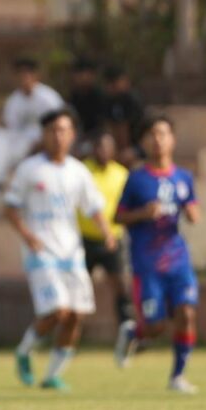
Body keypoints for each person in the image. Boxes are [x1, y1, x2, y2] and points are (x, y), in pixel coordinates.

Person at [6, 108, 116, 391]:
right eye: (53, 130)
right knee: (58, 311)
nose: (58, 136)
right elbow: (10, 206)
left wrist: (107, 233)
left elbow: (93, 207)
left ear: (72, 135)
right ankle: (24, 352)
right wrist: (26, 235)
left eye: (64, 130)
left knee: (77, 314)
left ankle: (52, 375)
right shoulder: (30, 168)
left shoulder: (78, 171)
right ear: (44, 134)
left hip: (71, 252)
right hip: (41, 251)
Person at [114, 116, 201, 393]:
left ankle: (177, 376)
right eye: (152, 134)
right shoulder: (137, 178)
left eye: (163, 134)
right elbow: (119, 216)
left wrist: (191, 212)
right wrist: (142, 213)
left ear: (172, 140)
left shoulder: (183, 177)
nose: (158, 139)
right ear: (143, 142)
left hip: (177, 259)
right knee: (155, 327)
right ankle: (133, 332)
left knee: (186, 312)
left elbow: (193, 210)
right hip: (147, 264)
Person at [0, 57, 63, 222]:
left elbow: (61, 125)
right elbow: (11, 129)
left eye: (27, 75)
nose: (24, 79)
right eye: (20, 75)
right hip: (20, 145)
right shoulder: (14, 100)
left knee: (5, 163)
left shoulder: (49, 98)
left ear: (35, 76)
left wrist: (44, 145)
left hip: (43, 144)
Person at [80, 129, 130, 325]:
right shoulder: (82, 170)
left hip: (113, 239)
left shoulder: (122, 174)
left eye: (107, 147)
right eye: (99, 147)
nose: (103, 151)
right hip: (84, 239)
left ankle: (127, 327)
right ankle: (72, 334)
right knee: (79, 290)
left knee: (120, 284)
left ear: (114, 150)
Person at [104, 66, 145, 164]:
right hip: (117, 150)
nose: (111, 87)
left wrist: (135, 151)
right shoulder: (109, 101)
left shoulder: (133, 101)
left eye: (114, 83)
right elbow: (110, 127)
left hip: (138, 149)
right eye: (109, 84)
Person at [66, 56, 108, 139]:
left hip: (97, 138)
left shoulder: (100, 97)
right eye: (78, 74)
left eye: (85, 73)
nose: (82, 77)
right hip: (78, 139)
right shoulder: (73, 97)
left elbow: (104, 126)